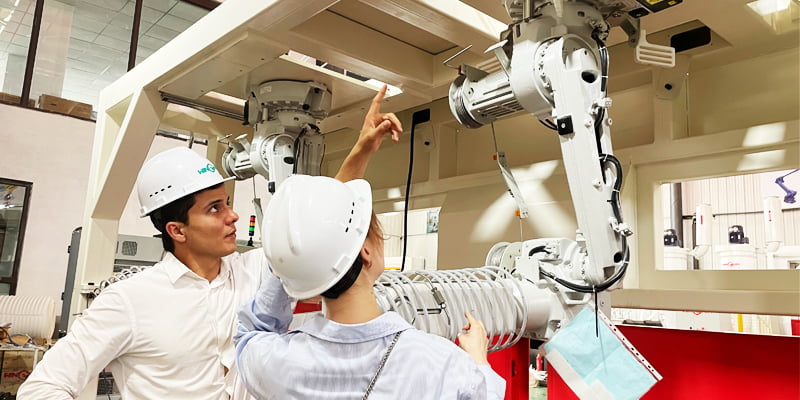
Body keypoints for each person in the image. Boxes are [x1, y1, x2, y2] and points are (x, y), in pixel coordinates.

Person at [18, 85, 403, 400]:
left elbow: (319, 226)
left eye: (228, 204)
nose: (232, 216)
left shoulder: (253, 272)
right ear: (177, 230)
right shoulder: (129, 302)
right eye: (215, 208)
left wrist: (362, 149)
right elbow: (42, 388)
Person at [235, 175, 506, 399]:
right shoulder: (442, 363)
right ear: (366, 251)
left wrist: (289, 267)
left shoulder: (276, 362)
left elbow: (249, 332)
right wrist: (479, 360)